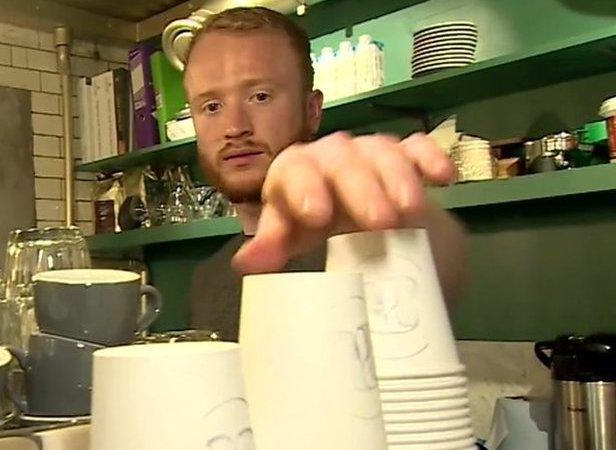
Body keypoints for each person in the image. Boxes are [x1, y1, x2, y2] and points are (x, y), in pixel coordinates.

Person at [185, 7, 467, 340]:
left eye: (260, 96)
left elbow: (436, 258)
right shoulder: (204, 280)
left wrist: (405, 226)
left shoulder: (360, 246)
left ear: (311, 110)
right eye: (211, 106)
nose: (235, 127)